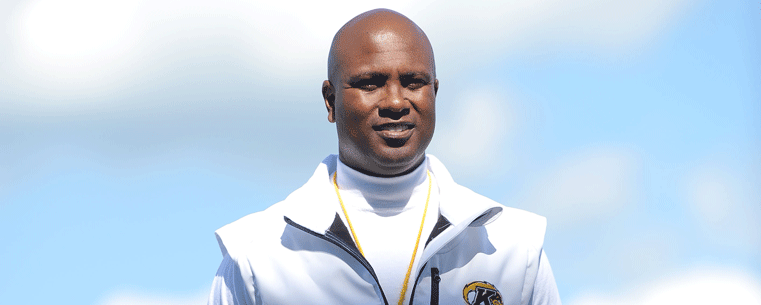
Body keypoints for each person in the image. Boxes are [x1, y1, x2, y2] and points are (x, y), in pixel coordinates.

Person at [207, 8, 561, 305]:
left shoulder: (513, 248)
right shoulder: (257, 256)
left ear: (434, 92)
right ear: (330, 101)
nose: (395, 102)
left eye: (413, 82)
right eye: (370, 83)